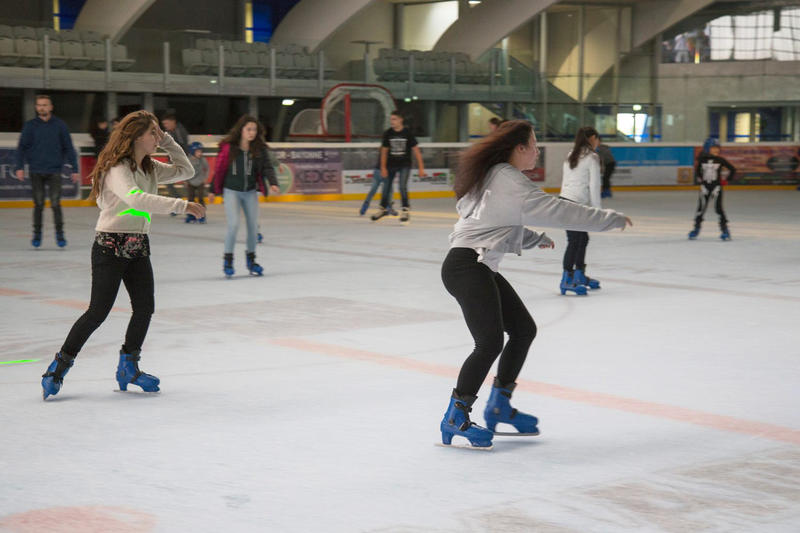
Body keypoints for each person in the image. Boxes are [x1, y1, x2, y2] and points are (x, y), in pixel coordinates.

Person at [440, 120, 631, 449]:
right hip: (467, 266)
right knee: (488, 342)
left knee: (523, 329)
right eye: (533, 143)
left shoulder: (496, 175)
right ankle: (455, 415)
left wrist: (531, 238)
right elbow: (556, 210)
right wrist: (607, 219)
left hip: (474, 264)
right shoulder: (508, 179)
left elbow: (493, 220)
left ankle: (499, 405)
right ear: (519, 149)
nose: (537, 150)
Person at [39, 110, 205, 400]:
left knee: (144, 308)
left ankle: (128, 366)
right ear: (138, 136)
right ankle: (59, 366)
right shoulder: (118, 167)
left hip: (138, 244)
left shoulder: (151, 167)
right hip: (110, 245)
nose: (157, 136)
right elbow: (135, 199)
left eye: (158, 133)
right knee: (98, 312)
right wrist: (181, 205)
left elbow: (187, 170)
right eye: (153, 132)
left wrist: (168, 142)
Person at [208, 115, 280, 277]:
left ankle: (251, 260)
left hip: (250, 192)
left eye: (254, 129)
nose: (252, 133)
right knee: (233, 225)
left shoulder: (259, 149)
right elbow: (219, 169)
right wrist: (213, 190)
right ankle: (228, 260)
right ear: (241, 130)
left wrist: (273, 182)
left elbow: (267, 167)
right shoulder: (229, 147)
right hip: (231, 191)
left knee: (253, 227)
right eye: (248, 129)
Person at [14, 94, 80, 248]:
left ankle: (60, 234)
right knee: (38, 204)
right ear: (36, 107)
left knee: (56, 204)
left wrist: (75, 169)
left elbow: (68, 147)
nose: (41, 107)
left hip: (54, 170)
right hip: (36, 170)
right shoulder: (30, 125)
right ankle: (37, 234)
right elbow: (21, 148)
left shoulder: (60, 125)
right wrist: (19, 167)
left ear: (50, 107)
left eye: (45, 105)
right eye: (39, 105)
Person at [560, 126, 604, 295]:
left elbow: (565, 182)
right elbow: (594, 186)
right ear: (592, 138)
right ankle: (567, 278)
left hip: (566, 201)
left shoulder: (571, 154)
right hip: (577, 204)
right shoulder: (592, 157)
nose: (598, 143)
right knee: (575, 240)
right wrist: (598, 212)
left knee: (581, 239)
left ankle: (579, 275)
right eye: (597, 139)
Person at [370, 111, 425, 223]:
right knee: (386, 187)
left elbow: (417, 151)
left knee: (402, 186)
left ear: (401, 120)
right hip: (390, 165)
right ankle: (383, 209)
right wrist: (383, 167)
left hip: (404, 164)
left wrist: (421, 168)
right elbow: (384, 152)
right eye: (391, 119)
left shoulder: (408, 133)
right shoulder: (388, 133)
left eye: (394, 119)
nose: (392, 121)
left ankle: (405, 210)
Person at [689, 139, 736, 240]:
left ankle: (725, 230)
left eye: (717, 148)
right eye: (713, 148)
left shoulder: (720, 160)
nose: (716, 150)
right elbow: (697, 171)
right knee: (700, 209)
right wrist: (702, 180)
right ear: (707, 149)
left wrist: (726, 180)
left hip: (716, 188)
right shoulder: (702, 160)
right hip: (704, 188)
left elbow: (732, 169)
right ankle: (696, 229)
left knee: (719, 209)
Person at [161, 113, 190, 206]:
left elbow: (182, 147)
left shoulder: (180, 131)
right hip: (174, 160)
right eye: (164, 124)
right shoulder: (170, 132)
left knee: (187, 183)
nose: (165, 126)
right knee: (168, 181)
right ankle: (178, 202)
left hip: (182, 161)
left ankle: (189, 205)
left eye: (167, 123)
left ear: (173, 122)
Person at [185, 142, 208, 223]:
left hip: (200, 182)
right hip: (191, 182)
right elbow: (185, 171)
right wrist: (186, 180)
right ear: (192, 151)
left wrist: (205, 178)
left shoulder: (203, 159)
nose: (200, 153)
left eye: (201, 151)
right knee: (190, 199)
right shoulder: (188, 160)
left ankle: (202, 215)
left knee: (201, 199)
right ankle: (191, 215)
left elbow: (207, 169)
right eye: (198, 151)